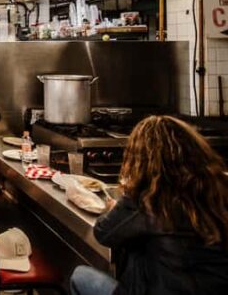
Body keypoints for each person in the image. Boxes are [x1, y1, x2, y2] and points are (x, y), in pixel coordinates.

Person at [70, 116, 228, 295]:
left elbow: (103, 233)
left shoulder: (149, 197)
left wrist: (114, 207)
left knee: (81, 276)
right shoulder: (218, 188)